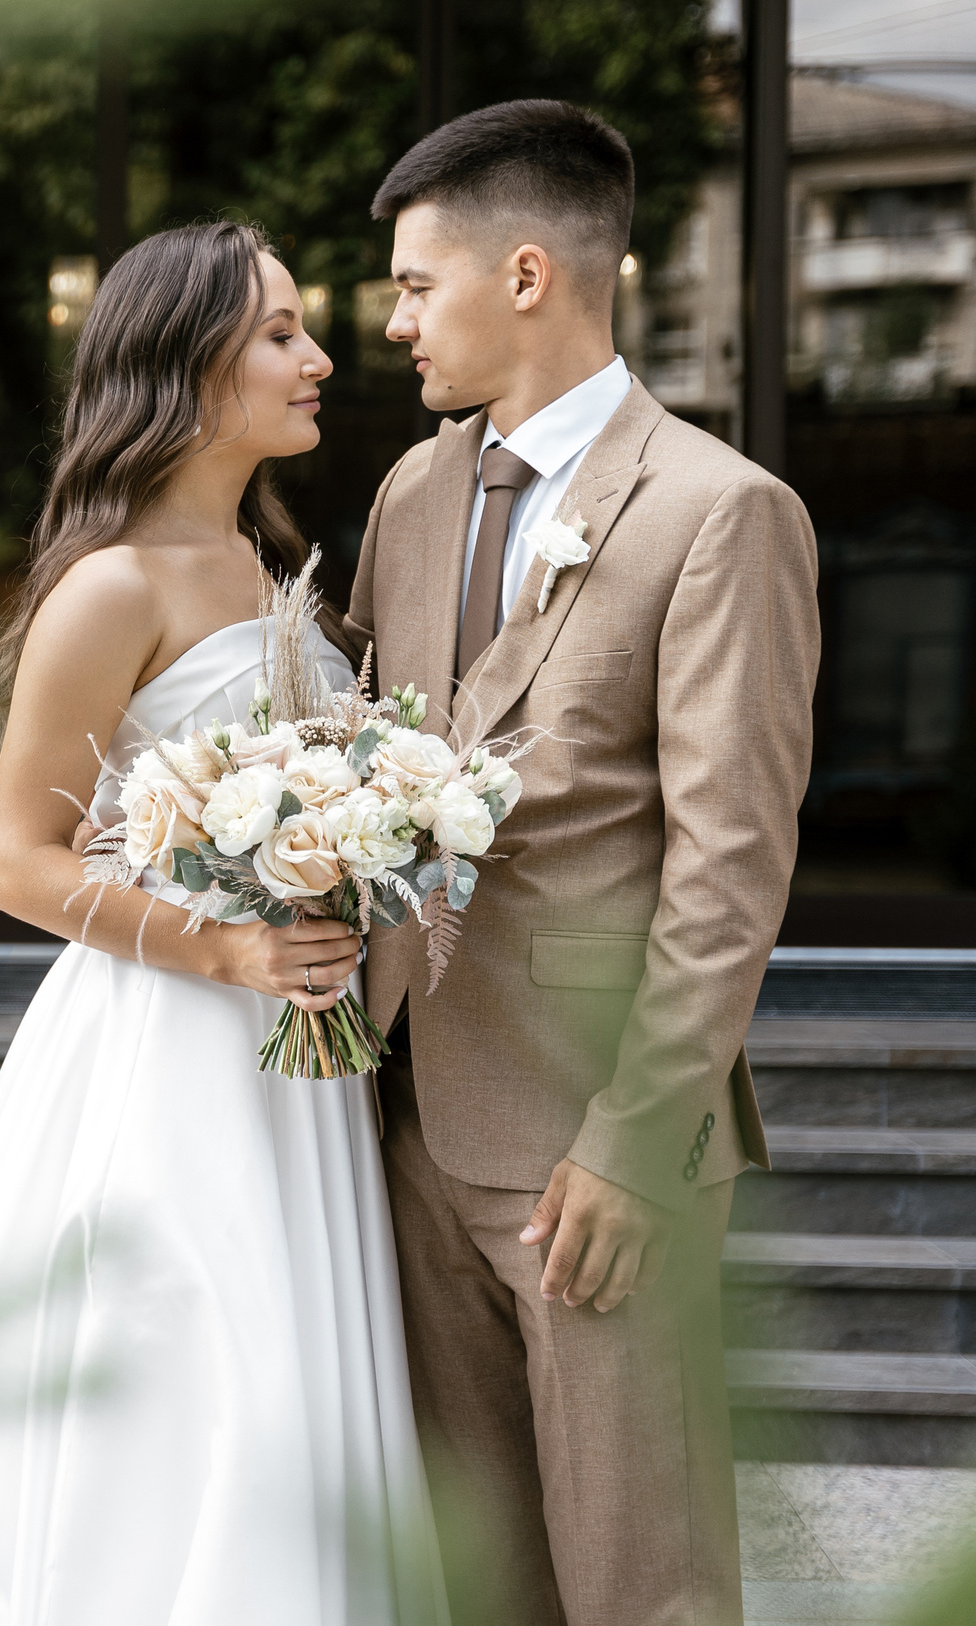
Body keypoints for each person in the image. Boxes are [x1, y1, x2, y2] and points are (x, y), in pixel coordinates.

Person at [0, 219, 450, 1626]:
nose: (319, 356)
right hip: (166, 1055)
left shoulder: (272, 564)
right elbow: (14, 859)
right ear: (184, 364)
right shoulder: (110, 585)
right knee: (194, 1381)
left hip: (298, 1062)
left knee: (292, 1378)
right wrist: (224, 947)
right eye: (281, 332)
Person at [346, 99, 818, 1626]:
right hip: (406, 1113)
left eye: (419, 284)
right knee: (479, 1574)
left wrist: (634, 1137)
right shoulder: (414, 492)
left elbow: (729, 868)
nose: (398, 321)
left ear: (530, 273)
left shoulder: (721, 512)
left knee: (641, 1576)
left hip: (596, 1143)